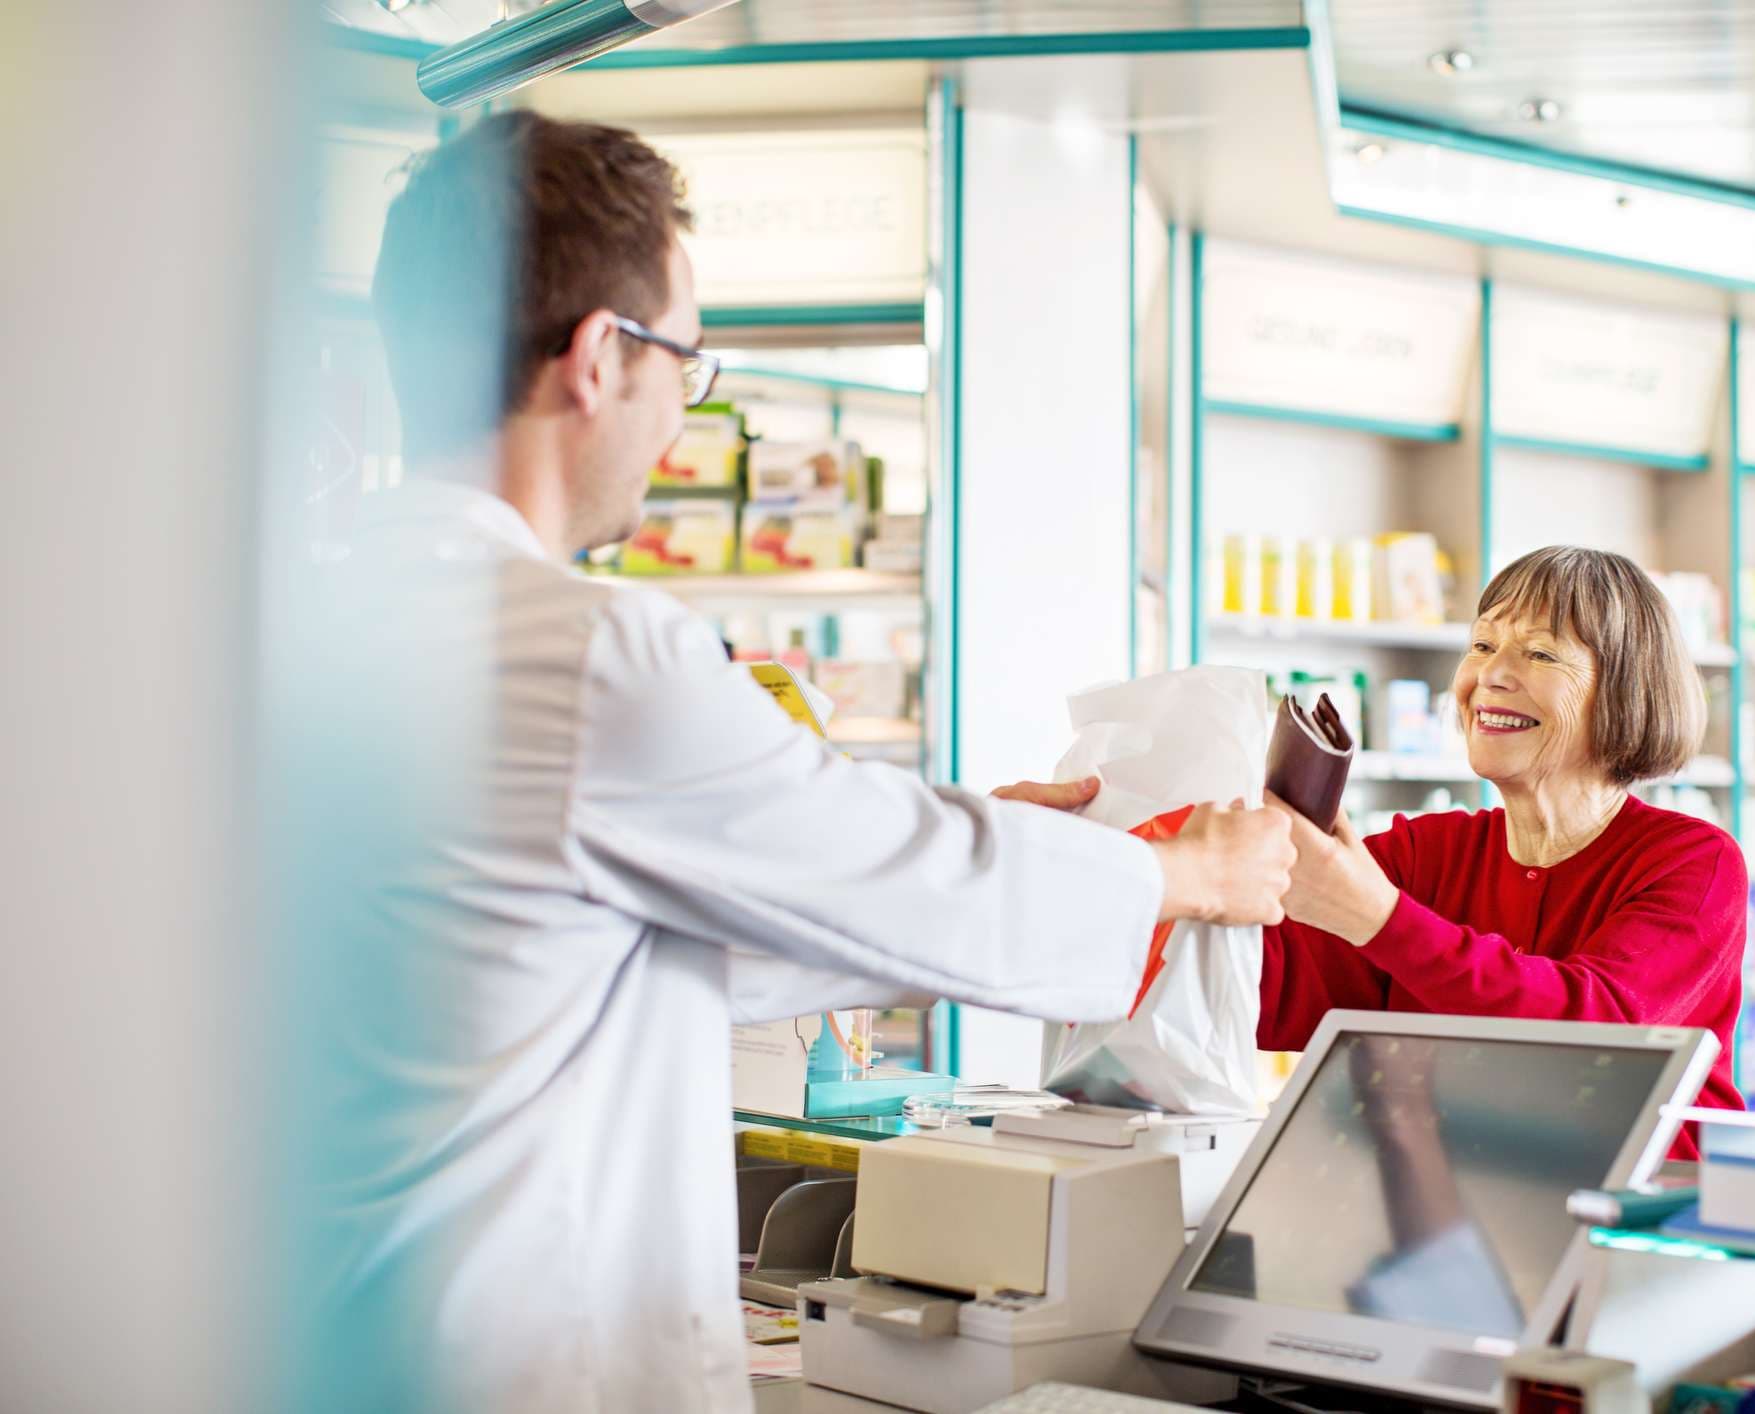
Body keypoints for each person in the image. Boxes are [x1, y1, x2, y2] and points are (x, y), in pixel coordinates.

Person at [295, 111, 1294, 1413]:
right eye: (688, 365)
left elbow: (621, 935)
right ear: (601, 358)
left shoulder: (313, 630)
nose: (681, 415)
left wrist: (1022, 839)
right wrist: (1173, 873)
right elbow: (887, 873)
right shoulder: (585, 655)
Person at [1259, 546, 1747, 1149]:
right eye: (1482, 646)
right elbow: (1263, 991)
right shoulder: (1423, 854)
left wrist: (1378, 918)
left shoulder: (1693, 862)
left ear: (1626, 691)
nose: (1489, 675)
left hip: (1635, 1219)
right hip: (1457, 1212)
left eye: (1540, 653)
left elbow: (1597, 1035)